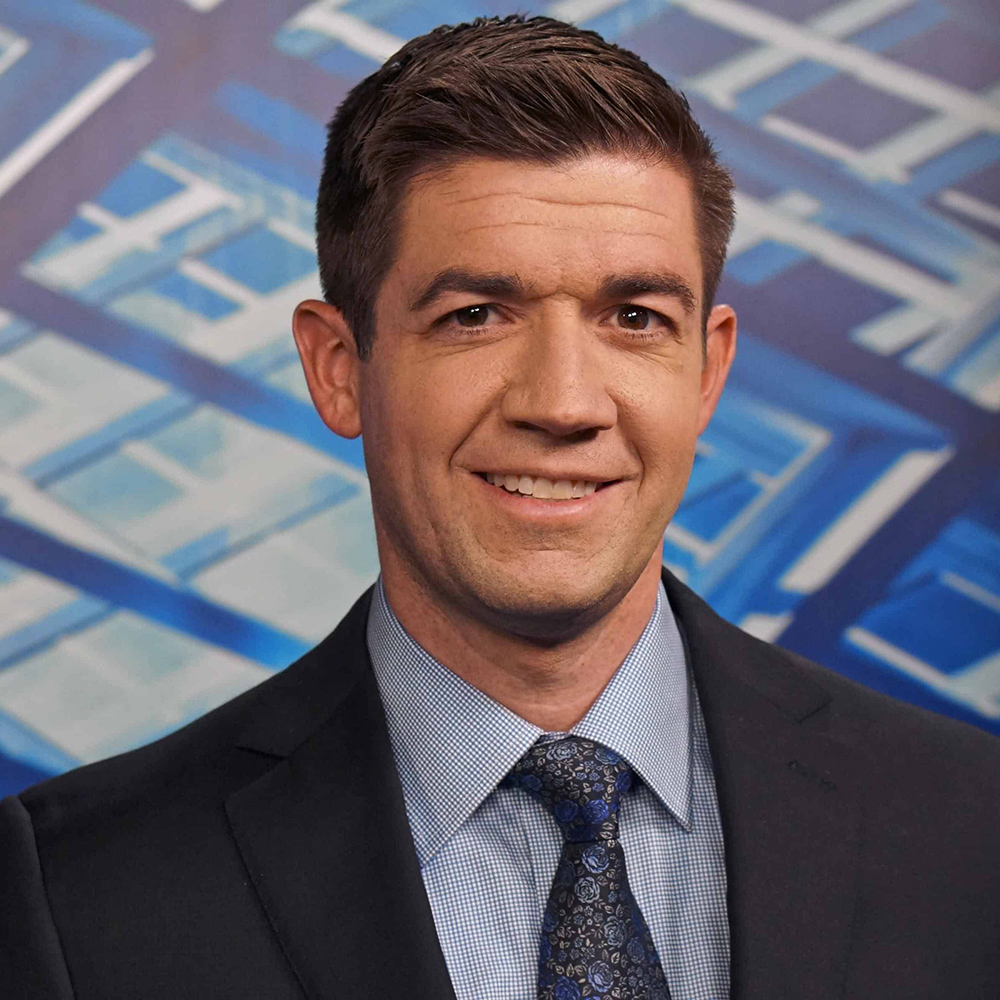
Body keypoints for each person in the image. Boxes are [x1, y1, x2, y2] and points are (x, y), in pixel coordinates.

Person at [2, 15, 998, 1000]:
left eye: (635, 318)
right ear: (338, 368)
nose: (562, 403)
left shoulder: (970, 828)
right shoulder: (75, 892)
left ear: (708, 371)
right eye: (474, 315)